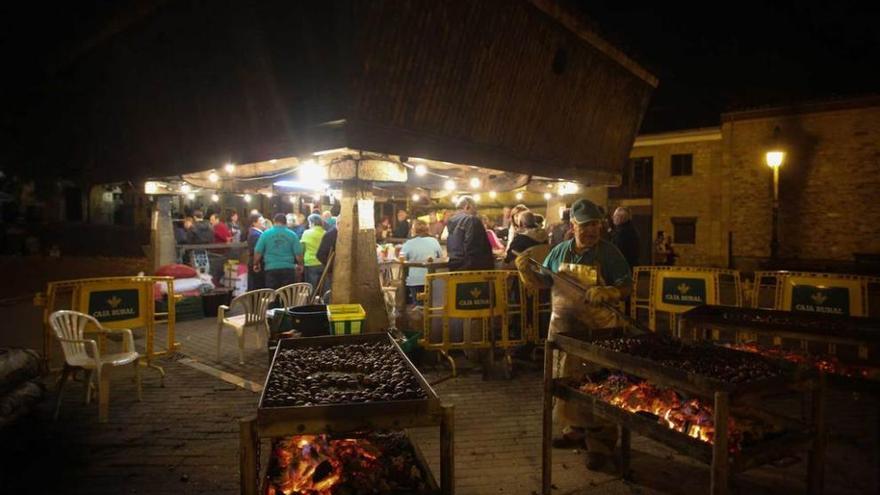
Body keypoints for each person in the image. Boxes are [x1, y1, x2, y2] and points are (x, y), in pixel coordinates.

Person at [516, 198, 633, 471]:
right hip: (564, 330)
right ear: (573, 226)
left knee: (600, 386)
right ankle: (575, 431)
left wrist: (610, 292)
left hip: (599, 332)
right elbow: (544, 281)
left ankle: (601, 444)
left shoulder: (610, 253)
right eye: (585, 225)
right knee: (566, 381)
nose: (591, 230)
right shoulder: (558, 252)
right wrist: (526, 273)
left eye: (595, 225)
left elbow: (626, 285)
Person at [253, 213, 303, 290]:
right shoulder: (292, 235)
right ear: (285, 222)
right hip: (288, 269)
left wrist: (256, 264)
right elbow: (298, 253)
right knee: (286, 296)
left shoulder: (265, 234)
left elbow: (258, 251)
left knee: (273, 295)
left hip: (271, 268)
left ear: (274, 221)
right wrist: (300, 264)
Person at [446, 196, 494, 271]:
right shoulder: (471, 220)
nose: (476, 213)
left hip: (454, 267)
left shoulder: (450, 221)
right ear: (467, 206)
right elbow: (475, 248)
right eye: (475, 209)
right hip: (472, 271)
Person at [401, 220, 443, 304]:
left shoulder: (409, 243)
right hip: (432, 279)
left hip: (415, 280)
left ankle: (418, 310)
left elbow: (402, 258)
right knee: (431, 304)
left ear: (414, 230)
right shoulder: (434, 241)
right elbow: (440, 257)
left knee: (419, 305)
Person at [300, 213, 326, 289]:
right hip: (323, 263)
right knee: (323, 286)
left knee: (311, 287)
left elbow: (302, 248)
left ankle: (311, 300)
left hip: (310, 262)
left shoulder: (306, 233)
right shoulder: (325, 233)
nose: (308, 225)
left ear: (312, 223)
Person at [246, 213, 265, 290]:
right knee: (257, 286)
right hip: (257, 264)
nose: (263, 221)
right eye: (261, 220)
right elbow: (256, 250)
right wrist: (256, 263)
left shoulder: (258, 233)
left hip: (257, 263)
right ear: (254, 223)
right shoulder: (255, 234)